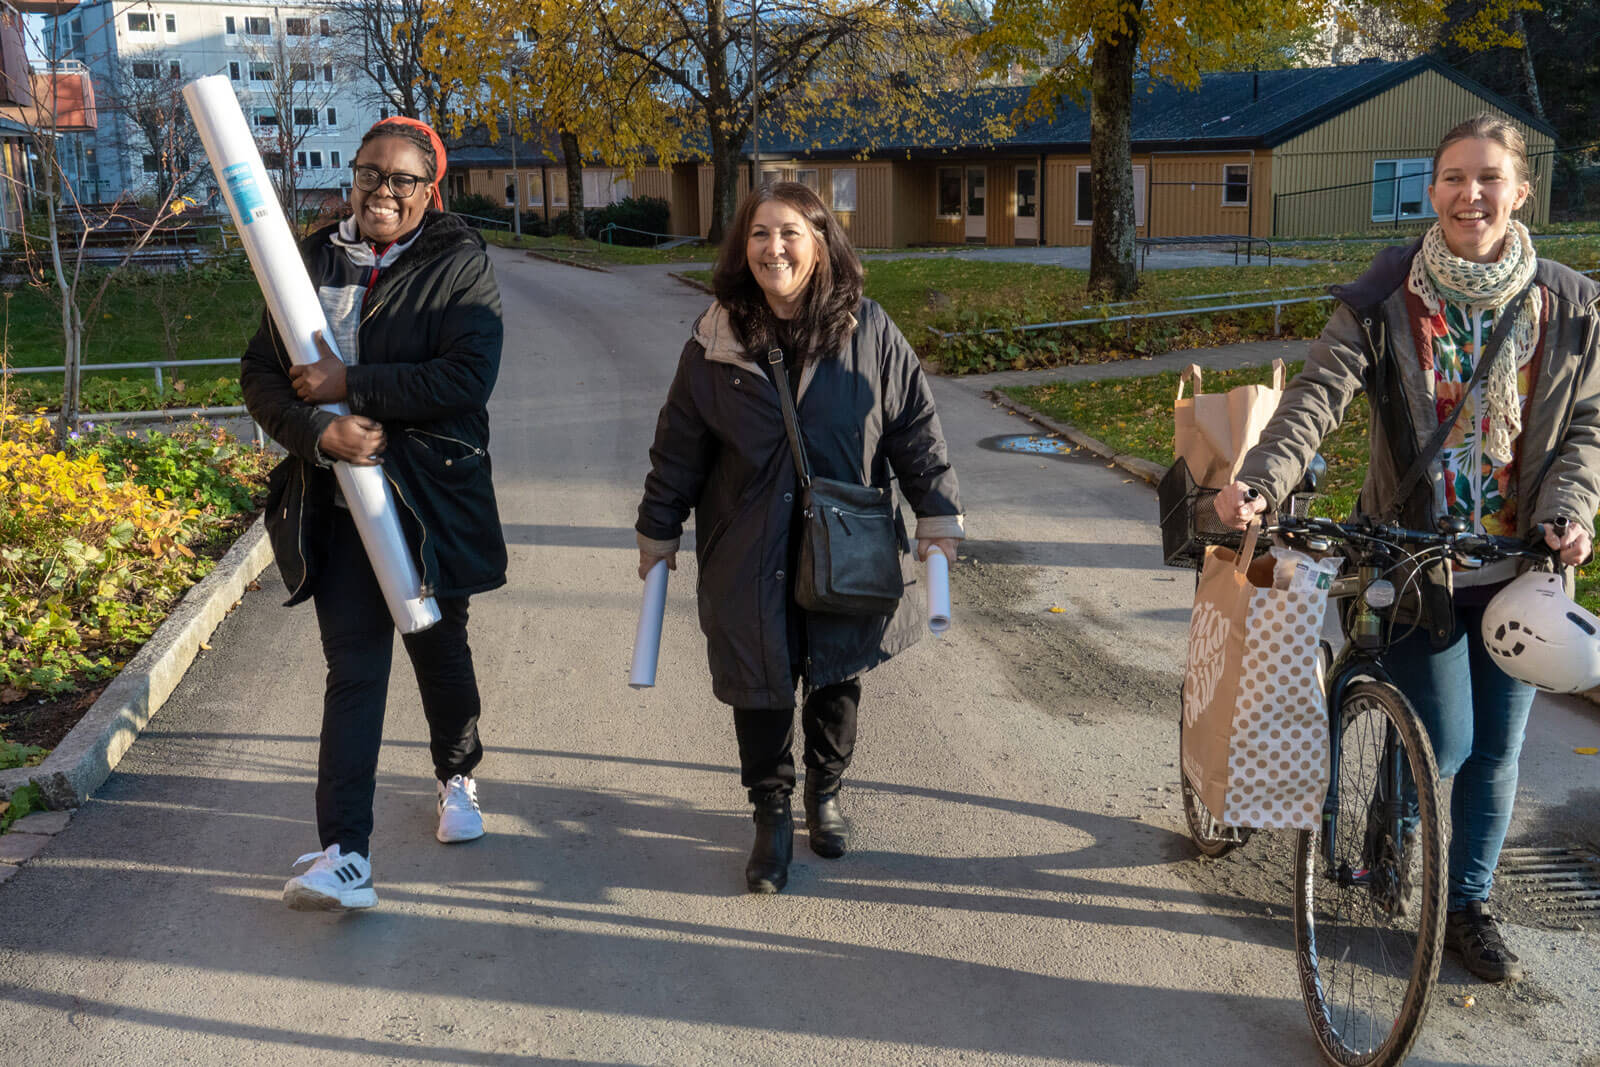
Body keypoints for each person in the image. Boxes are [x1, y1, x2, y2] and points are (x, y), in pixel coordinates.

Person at [1215, 114, 1600, 981]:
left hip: (1521, 571)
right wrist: (1264, 479)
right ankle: (1401, 828)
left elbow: (1587, 425)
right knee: (1449, 742)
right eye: (1455, 178)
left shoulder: (1570, 305)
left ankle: (1467, 904)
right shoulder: (1387, 292)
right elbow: (1318, 396)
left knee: (1499, 750)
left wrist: (1572, 508)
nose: (1472, 195)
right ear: (1431, 191)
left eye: (1490, 178)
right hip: (1415, 560)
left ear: (1521, 190)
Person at [635, 182, 964, 894]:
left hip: (845, 541)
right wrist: (658, 528)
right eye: (759, 234)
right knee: (760, 685)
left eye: (789, 233)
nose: (773, 248)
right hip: (746, 545)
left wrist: (937, 517)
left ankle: (826, 791)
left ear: (821, 243)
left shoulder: (869, 330)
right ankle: (770, 811)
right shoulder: (713, 340)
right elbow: (679, 449)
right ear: (741, 246)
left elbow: (915, 429)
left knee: (835, 674)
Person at [241, 116, 507, 911]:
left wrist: (350, 386)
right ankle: (345, 853)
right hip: (337, 499)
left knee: (436, 648)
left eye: (401, 180)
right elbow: (259, 374)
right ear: (350, 177)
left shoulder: (460, 264)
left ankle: (457, 773)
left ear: (431, 188)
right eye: (368, 174)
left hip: (426, 499)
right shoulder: (310, 259)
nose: (381, 192)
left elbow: (466, 376)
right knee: (353, 672)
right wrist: (322, 433)